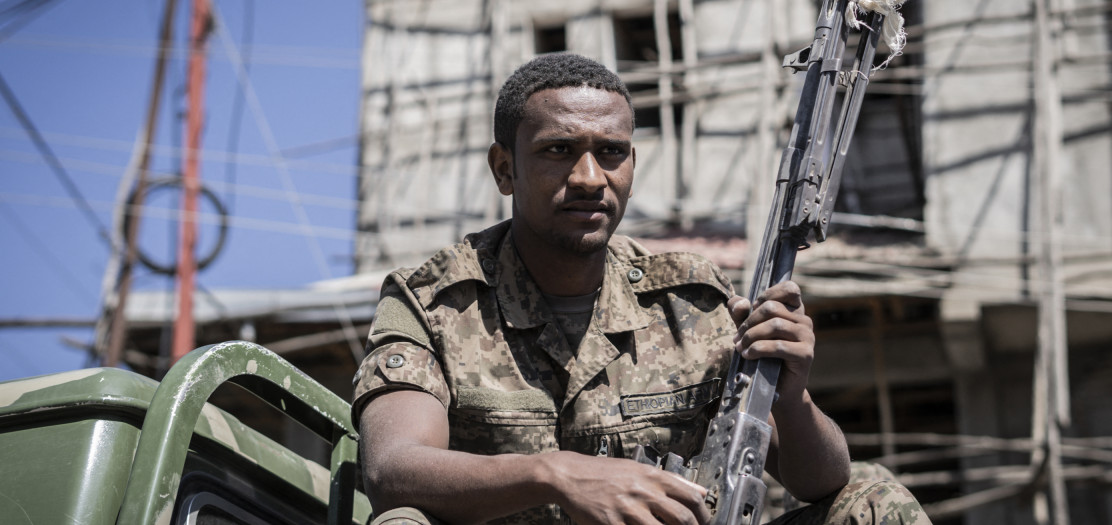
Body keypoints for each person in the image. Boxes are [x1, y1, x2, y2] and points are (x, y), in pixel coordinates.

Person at [352, 53, 929, 525]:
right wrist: (555, 474)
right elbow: (394, 468)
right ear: (504, 169)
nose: (588, 178)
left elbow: (819, 480)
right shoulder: (434, 301)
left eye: (611, 153)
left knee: (873, 502)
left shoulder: (693, 302)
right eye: (557, 151)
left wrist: (792, 395)